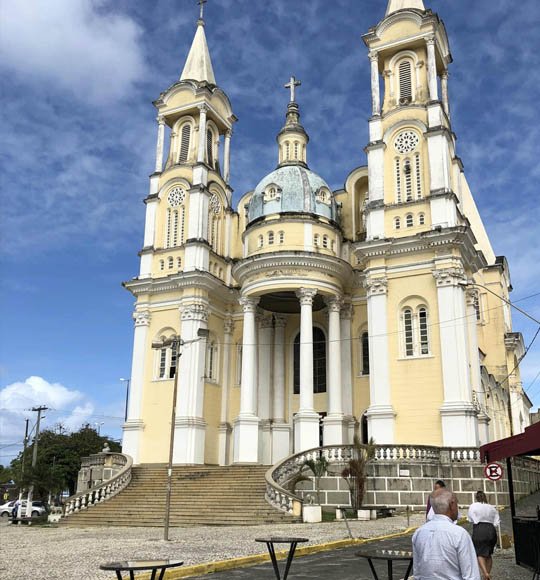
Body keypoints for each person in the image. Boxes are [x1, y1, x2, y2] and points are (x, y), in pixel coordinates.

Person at [413, 488, 481, 580]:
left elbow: (417, 574)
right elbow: (472, 576)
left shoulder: (419, 533)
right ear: (452, 504)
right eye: (457, 503)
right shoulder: (459, 534)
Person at [467, 490, 500, 580]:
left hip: (479, 529)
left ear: (476, 498)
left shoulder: (473, 506)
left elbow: (470, 519)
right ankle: (488, 574)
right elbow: (496, 521)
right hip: (491, 529)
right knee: (488, 554)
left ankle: (485, 573)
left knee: (480, 553)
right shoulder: (492, 507)